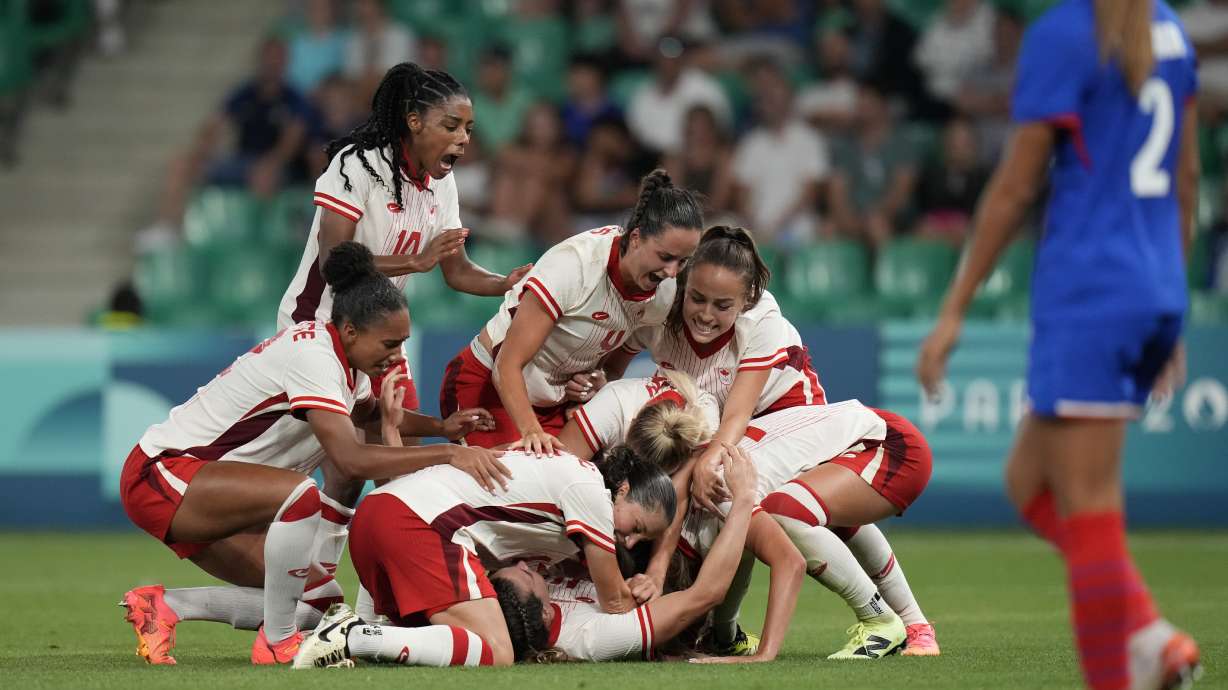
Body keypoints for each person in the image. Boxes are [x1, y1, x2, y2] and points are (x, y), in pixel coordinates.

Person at [916, 2, 1202, 687]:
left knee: (1090, 503)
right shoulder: (1167, 27)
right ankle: (1150, 635)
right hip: (1148, 280)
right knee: (1028, 484)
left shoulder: (1068, 32)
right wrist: (1171, 297)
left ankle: (1120, 669)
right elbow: (1186, 178)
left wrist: (954, 309)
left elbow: (1015, 187)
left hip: (1091, 289)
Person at [119, 243, 506, 666]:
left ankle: (166, 606)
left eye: (403, 345)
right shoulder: (313, 356)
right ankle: (277, 642)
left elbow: (370, 414)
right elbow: (351, 459)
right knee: (301, 494)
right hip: (163, 475)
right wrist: (447, 454)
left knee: (320, 604)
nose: (397, 357)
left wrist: (439, 427)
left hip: (217, 490)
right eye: (390, 345)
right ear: (352, 331)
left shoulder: (348, 364)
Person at [564, 365, 940, 658]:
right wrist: (723, 633)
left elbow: (787, 563)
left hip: (887, 444)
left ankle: (878, 618)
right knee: (807, 517)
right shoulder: (693, 484)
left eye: (635, 533)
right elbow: (733, 560)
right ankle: (915, 627)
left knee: (785, 512)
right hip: (869, 438)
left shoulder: (715, 493)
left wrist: (764, 654)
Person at [293, 442, 761, 667]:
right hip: (417, 522)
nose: (627, 544)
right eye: (635, 529)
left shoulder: (564, 512)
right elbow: (636, 601)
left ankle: (328, 630)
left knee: (412, 636)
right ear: (621, 488)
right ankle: (351, 634)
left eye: (639, 543)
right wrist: (743, 501)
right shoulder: (591, 499)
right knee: (495, 652)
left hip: (385, 513)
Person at [280, 62, 531, 418]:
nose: (464, 138)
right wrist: (415, 261)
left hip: (381, 334)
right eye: (451, 126)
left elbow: (457, 271)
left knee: (402, 437)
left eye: (468, 129)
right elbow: (332, 262)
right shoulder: (357, 164)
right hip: (320, 326)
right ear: (415, 122)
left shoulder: (443, 184)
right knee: (345, 458)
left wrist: (504, 283)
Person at [440, 169, 704, 452]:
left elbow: (612, 369)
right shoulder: (575, 266)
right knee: (521, 487)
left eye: (683, 261)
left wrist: (596, 382)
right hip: (487, 390)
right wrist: (532, 433)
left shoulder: (663, 294)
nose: (671, 272)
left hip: (553, 407)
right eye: (665, 257)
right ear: (636, 238)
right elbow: (507, 366)